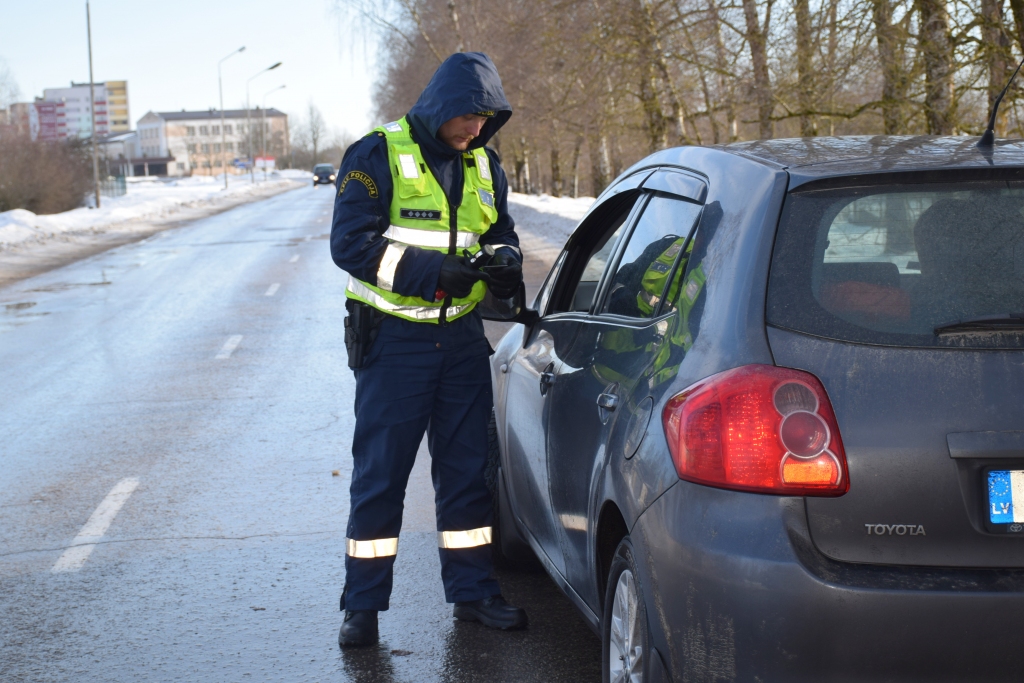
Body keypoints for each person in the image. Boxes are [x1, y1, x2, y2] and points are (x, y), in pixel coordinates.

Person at [329, 52, 527, 648]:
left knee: (468, 473)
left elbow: (499, 230)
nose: (476, 129)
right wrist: (432, 272)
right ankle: (362, 606)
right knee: (381, 477)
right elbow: (351, 244)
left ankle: (473, 593)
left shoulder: (485, 163)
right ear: (443, 106)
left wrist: (505, 259)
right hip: (394, 343)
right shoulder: (376, 154)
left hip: (462, 341)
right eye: (468, 117)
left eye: (485, 120)